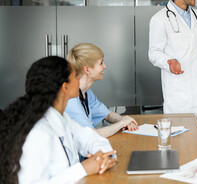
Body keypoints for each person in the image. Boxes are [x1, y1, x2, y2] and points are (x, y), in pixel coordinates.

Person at [0, 56, 116, 184]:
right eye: (75, 76)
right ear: (65, 87)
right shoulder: (39, 132)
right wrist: (82, 169)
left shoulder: (62, 118)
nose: (79, 79)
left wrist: (102, 158)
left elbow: (90, 138)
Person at [65, 43, 138, 138]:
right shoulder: (71, 100)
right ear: (87, 70)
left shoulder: (86, 92)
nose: (105, 66)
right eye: (101, 63)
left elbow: (107, 115)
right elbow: (92, 135)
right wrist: (122, 123)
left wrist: (125, 120)